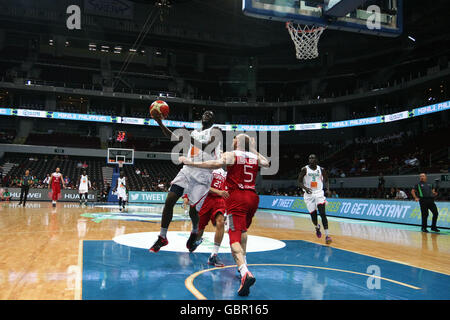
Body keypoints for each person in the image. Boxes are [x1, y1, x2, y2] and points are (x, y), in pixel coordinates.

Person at [180, 134, 270, 297]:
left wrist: (191, 162)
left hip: (237, 198)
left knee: (234, 238)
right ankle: (244, 264)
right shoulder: (253, 157)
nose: (233, 140)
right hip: (252, 198)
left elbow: (213, 163)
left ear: (236, 143)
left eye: (235, 139)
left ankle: (244, 273)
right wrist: (252, 148)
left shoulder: (232, 155)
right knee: (243, 231)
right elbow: (267, 163)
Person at [149, 110, 222, 253]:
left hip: (203, 174)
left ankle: (195, 231)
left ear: (213, 120)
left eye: (210, 114)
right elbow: (174, 138)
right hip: (188, 170)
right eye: (205, 114)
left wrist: (188, 139)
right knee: (170, 199)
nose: (207, 115)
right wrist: (160, 123)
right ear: (201, 118)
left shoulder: (216, 131)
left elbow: (207, 147)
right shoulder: (194, 132)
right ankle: (162, 236)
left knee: (193, 210)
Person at [189, 167, 229, 268]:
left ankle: (214, 255)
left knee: (220, 222)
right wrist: (218, 191)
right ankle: (196, 241)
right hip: (206, 200)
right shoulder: (208, 169)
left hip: (220, 201)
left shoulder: (227, 172)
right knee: (199, 230)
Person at [298, 154, 332, 245]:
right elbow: (299, 181)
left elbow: (327, 180)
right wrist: (305, 188)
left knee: (323, 214)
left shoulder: (321, 169)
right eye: (310, 158)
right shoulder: (305, 169)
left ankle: (327, 235)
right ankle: (317, 227)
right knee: (314, 217)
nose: (311, 159)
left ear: (316, 160)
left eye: (313, 158)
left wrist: (328, 189)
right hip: (309, 195)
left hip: (319, 193)